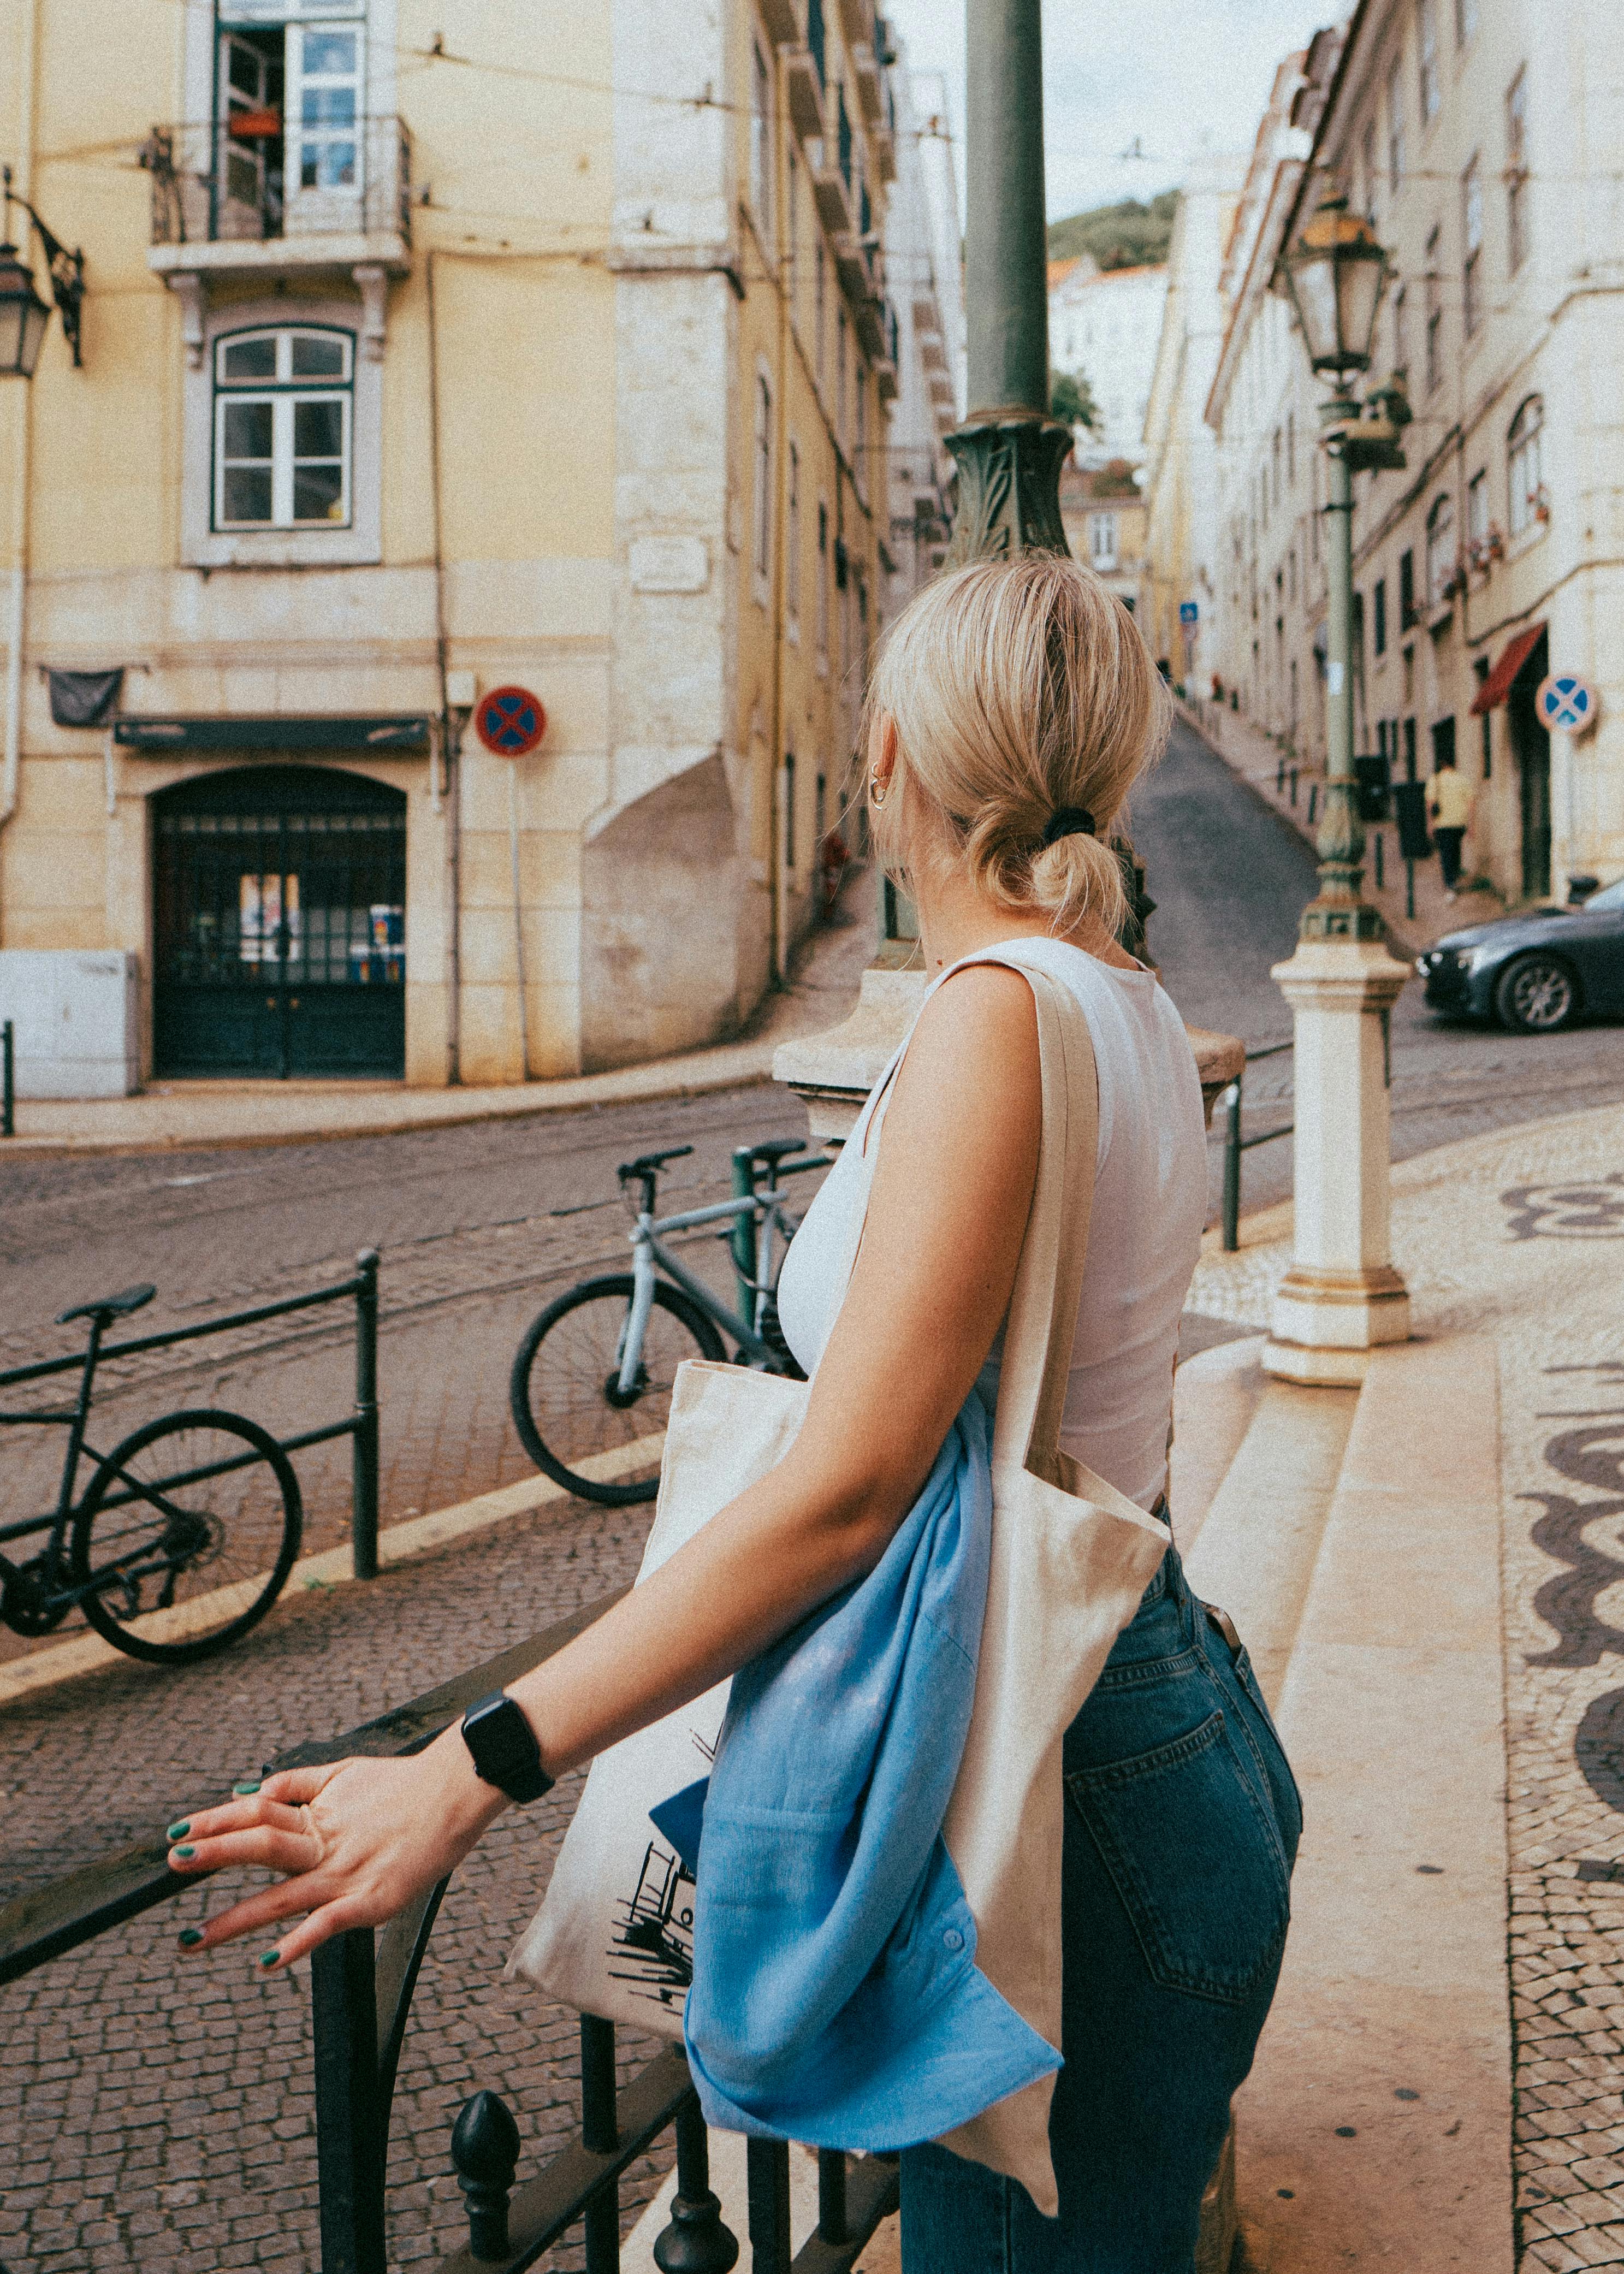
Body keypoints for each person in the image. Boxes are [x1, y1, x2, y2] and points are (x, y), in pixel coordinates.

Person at [164, 556, 1300, 2273]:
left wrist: (466, 1769)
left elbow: (850, 1490)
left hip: (1064, 1786)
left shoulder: (997, 1018)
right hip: (1143, 1714)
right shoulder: (1123, 1001)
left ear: (890, 747)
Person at [1427, 749, 1475, 897]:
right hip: (1459, 822)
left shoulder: (1435, 780)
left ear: (1442, 764)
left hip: (1442, 823)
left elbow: (1430, 803)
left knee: (1446, 852)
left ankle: (1450, 882)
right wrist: (1472, 826)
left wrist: (1430, 825)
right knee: (1455, 850)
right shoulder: (1462, 779)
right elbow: (1471, 803)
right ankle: (1454, 877)